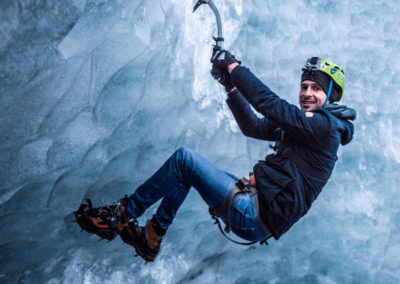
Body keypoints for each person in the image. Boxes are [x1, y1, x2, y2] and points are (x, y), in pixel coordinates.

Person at [74, 49, 356, 262]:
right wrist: (230, 87)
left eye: (316, 88)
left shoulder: (325, 127)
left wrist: (234, 68)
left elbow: (269, 104)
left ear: (331, 96)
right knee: (184, 172)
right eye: (305, 86)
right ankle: (151, 237)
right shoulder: (306, 126)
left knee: (184, 159)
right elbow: (254, 126)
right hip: (252, 205)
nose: (307, 92)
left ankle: (121, 216)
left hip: (253, 216)